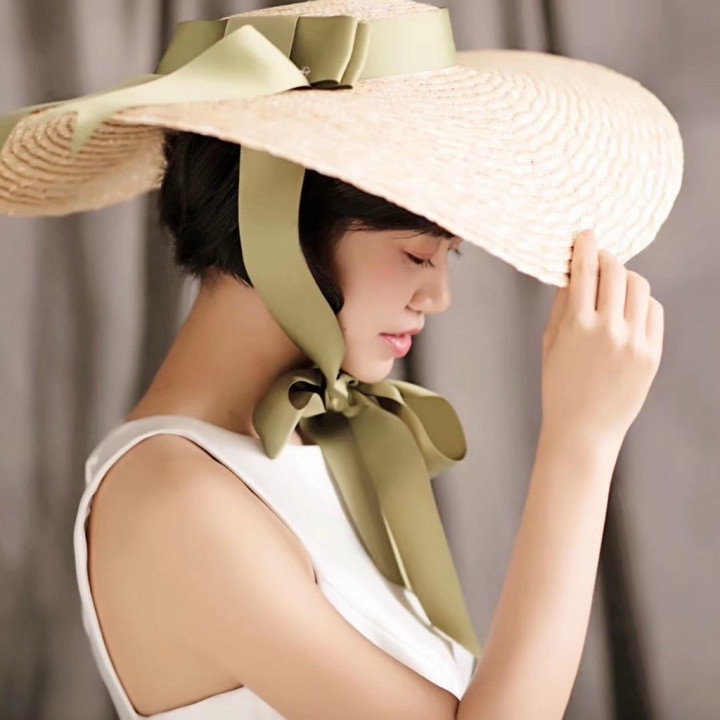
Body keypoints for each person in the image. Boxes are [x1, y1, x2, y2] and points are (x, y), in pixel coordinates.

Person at [0, 1, 681, 718]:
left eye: (448, 256)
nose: (439, 296)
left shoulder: (308, 441)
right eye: (416, 254)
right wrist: (580, 442)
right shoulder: (174, 502)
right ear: (279, 222)